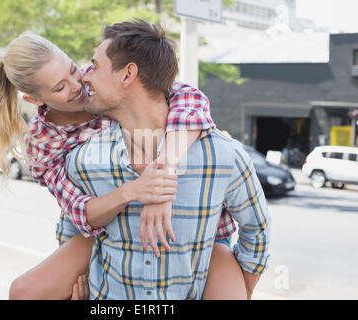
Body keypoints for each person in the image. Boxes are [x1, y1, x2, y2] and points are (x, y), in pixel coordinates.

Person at [0, 30, 243, 300]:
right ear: (35, 100)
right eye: (60, 88)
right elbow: (79, 213)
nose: (78, 85)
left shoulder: (101, 82)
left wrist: (161, 179)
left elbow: (190, 98)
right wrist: (136, 191)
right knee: (24, 292)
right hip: (108, 225)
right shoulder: (43, 144)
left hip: (192, 223)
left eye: (74, 70)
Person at [62, 19, 271, 299]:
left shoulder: (223, 156)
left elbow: (257, 232)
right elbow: (69, 235)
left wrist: (238, 289)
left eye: (95, 66)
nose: (85, 78)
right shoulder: (83, 160)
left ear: (128, 75)